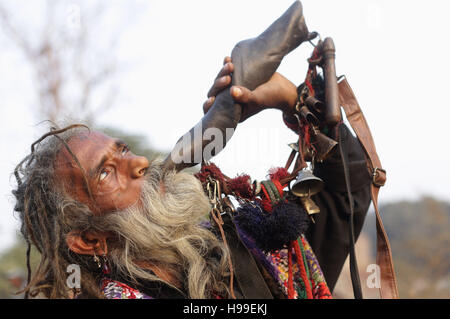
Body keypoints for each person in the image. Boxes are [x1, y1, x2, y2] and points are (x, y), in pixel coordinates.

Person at [12, 56, 371, 299]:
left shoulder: (247, 246)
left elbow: (347, 194)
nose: (138, 162)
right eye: (106, 173)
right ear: (89, 240)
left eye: (122, 150)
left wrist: (293, 99)